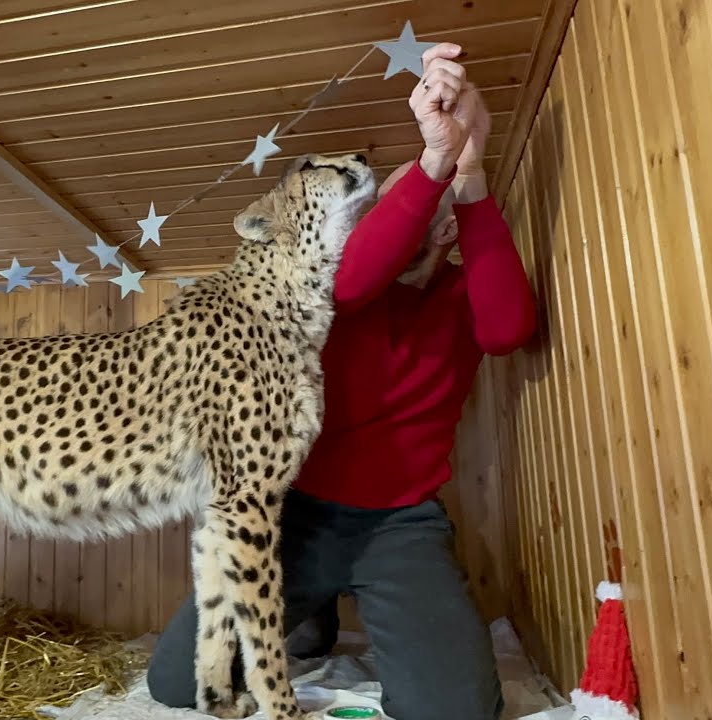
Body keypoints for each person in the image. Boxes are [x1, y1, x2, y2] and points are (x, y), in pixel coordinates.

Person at [147, 42, 537, 720]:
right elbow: (357, 279)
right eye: (387, 203)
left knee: (459, 712)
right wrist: (432, 161)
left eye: (417, 207)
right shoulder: (335, 283)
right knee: (176, 685)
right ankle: (311, 607)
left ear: (444, 226)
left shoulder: (457, 293)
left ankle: (331, 612)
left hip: (400, 526)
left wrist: (470, 175)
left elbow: (507, 330)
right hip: (296, 513)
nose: (388, 215)